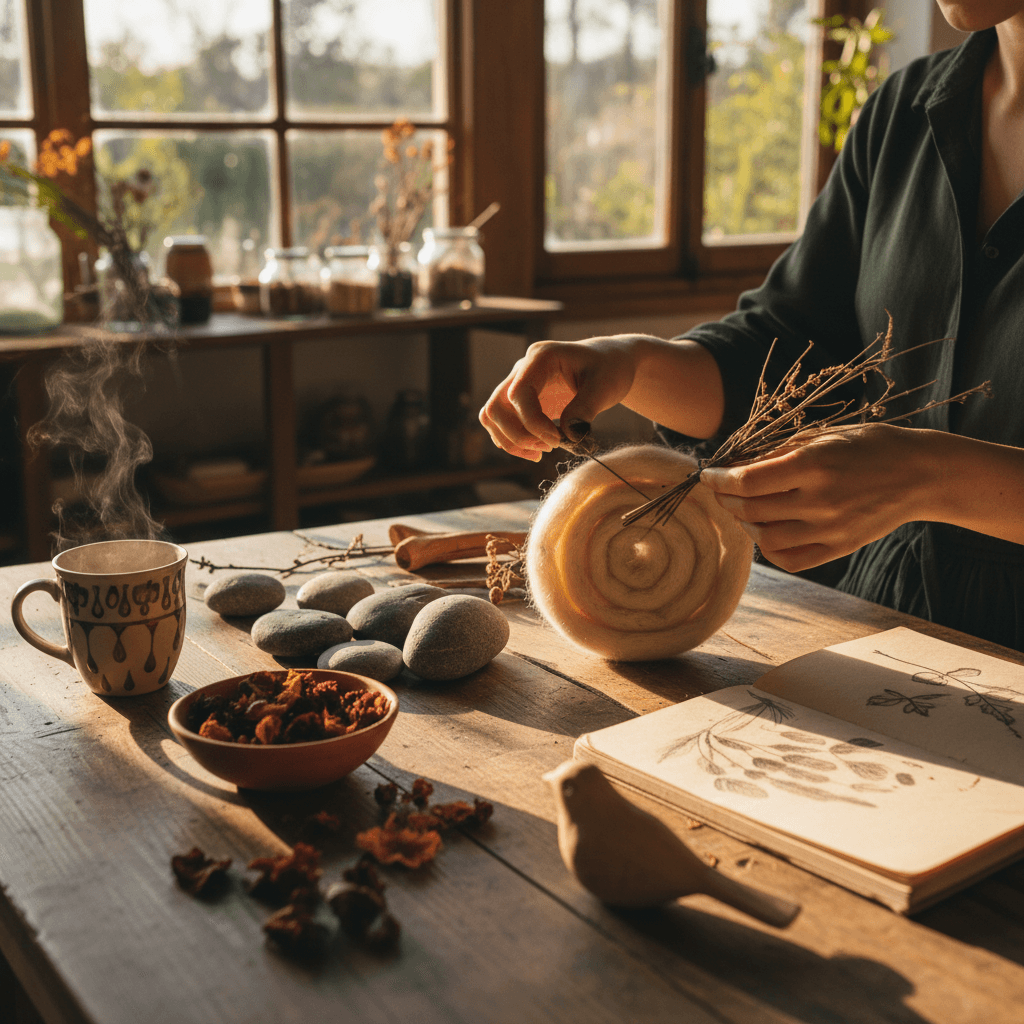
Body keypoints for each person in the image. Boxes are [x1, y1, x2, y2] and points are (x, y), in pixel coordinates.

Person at [479, 6, 1024, 650]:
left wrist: (932, 476)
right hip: (889, 627)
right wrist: (632, 363)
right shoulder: (904, 114)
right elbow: (793, 344)